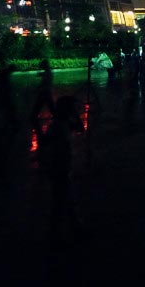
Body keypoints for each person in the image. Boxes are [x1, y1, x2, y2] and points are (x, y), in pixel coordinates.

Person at [38, 95, 84, 244]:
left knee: (62, 200)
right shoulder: (58, 126)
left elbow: (80, 128)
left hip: (60, 167)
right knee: (62, 200)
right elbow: (47, 144)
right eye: (72, 108)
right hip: (58, 167)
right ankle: (59, 234)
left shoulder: (61, 123)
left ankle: (63, 231)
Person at [30, 59, 56, 137]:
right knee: (50, 106)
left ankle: (33, 118)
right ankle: (57, 117)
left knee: (40, 105)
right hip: (47, 92)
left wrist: (36, 89)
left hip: (45, 92)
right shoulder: (48, 72)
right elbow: (42, 76)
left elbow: (43, 82)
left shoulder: (47, 73)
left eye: (42, 65)